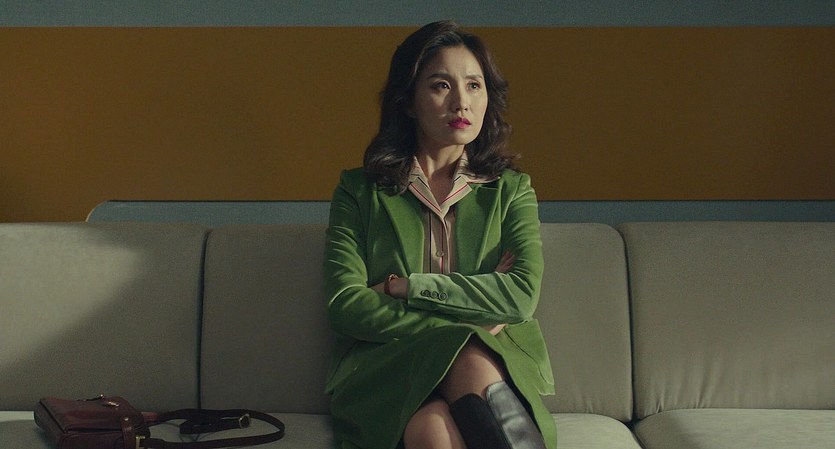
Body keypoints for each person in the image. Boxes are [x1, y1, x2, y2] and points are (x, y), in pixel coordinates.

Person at [324, 20, 556, 449]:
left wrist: (405, 286)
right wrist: (469, 321)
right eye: (440, 86)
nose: (461, 102)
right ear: (408, 101)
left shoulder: (511, 191)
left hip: (488, 363)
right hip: (388, 363)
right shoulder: (358, 191)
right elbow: (346, 306)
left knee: (447, 401)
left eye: (474, 85)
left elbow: (521, 296)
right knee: (442, 405)